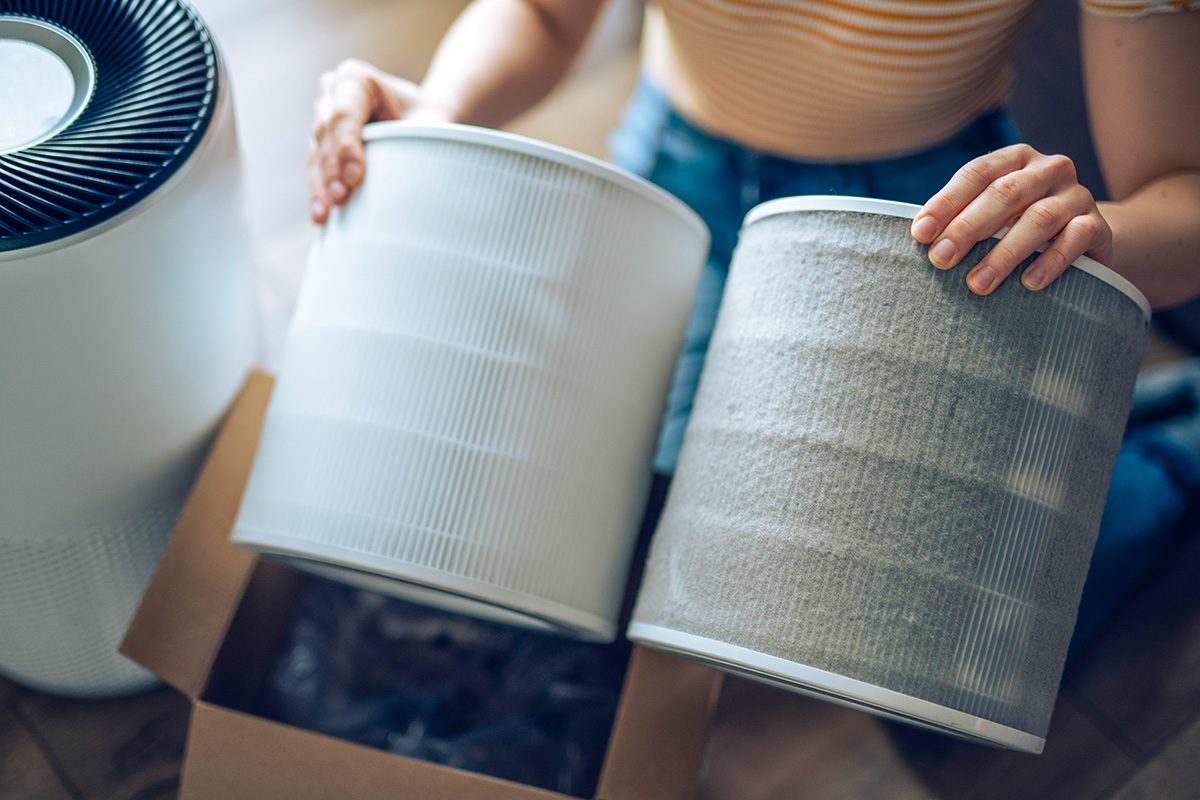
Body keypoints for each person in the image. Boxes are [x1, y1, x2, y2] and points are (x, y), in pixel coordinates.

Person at [305, 0, 1200, 650]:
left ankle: (1175, 450)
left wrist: (1093, 233)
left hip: (924, 221)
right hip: (677, 170)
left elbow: (1182, 199)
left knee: (913, 612)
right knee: (628, 527)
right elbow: (547, 14)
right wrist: (442, 107)